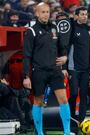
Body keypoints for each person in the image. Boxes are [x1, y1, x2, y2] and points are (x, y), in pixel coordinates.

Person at [22, 2, 71, 135]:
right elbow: (26, 55)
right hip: (39, 71)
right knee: (38, 102)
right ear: (37, 13)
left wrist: (65, 59)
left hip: (55, 70)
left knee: (64, 100)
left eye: (47, 12)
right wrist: (26, 76)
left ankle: (67, 132)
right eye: (42, 12)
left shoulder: (55, 28)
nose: (45, 14)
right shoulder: (31, 31)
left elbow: (62, 48)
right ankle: (39, 132)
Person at [63, 6, 90, 130]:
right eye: (82, 14)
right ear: (76, 15)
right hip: (73, 67)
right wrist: (64, 67)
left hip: (86, 69)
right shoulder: (71, 27)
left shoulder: (89, 29)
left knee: (84, 94)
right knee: (74, 93)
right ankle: (71, 118)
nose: (85, 16)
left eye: (86, 14)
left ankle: (81, 121)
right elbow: (65, 47)